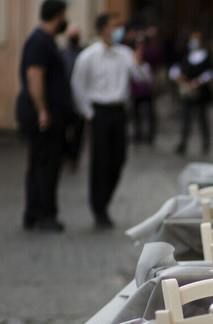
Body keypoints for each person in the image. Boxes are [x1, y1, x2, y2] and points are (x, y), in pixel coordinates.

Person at [70, 13, 148, 228]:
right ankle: (98, 207)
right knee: (100, 161)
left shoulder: (125, 54)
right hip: (99, 111)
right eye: (114, 26)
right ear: (103, 28)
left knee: (119, 158)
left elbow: (143, 78)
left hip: (119, 111)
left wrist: (140, 63)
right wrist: (88, 113)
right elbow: (78, 86)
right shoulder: (88, 56)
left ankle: (105, 199)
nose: (118, 31)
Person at [16, 0, 72, 232]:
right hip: (43, 116)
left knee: (39, 163)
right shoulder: (39, 42)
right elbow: (35, 76)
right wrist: (42, 110)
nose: (66, 21)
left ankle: (33, 212)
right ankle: (43, 214)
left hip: (45, 113)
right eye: (64, 16)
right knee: (46, 165)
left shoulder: (45, 40)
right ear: (57, 16)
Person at [170, 30, 213, 156]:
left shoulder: (206, 56)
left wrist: (197, 83)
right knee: (186, 119)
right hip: (187, 91)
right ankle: (183, 143)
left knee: (202, 118)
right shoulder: (186, 55)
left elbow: (210, 73)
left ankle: (206, 142)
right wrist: (180, 79)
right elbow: (176, 69)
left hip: (201, 93)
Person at [60, 23, 85, 171]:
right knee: (63, 130)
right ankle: (65, 154)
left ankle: (73, 158)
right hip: (65, 99)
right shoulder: (62, 53)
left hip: (79, 100)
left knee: (78, 132)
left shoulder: (84, 53)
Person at [128, 26, 157, 145]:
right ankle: (138, 133)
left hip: (146, 92)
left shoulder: (146, 64)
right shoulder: (131, 63)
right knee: (136, 115)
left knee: (149, 114)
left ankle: (149, 135)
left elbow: (149, 78)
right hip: (136, 93)